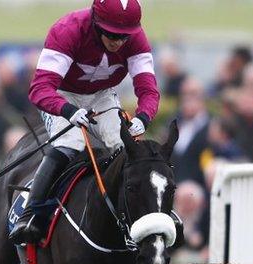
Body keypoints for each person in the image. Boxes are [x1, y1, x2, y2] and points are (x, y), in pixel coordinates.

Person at [10, 0, 160, 244]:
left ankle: (140, 216)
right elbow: (39, 89)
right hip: (61, 93)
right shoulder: (67, 30)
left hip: (102, 95)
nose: (118, 42)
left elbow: (149, 91)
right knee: (71, 143)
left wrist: (144, 116)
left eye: (124, 37)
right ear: (95, 22)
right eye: (112, 34)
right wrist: (67, 110)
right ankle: (30, 214)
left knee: (122, 147)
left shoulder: (137, 39)